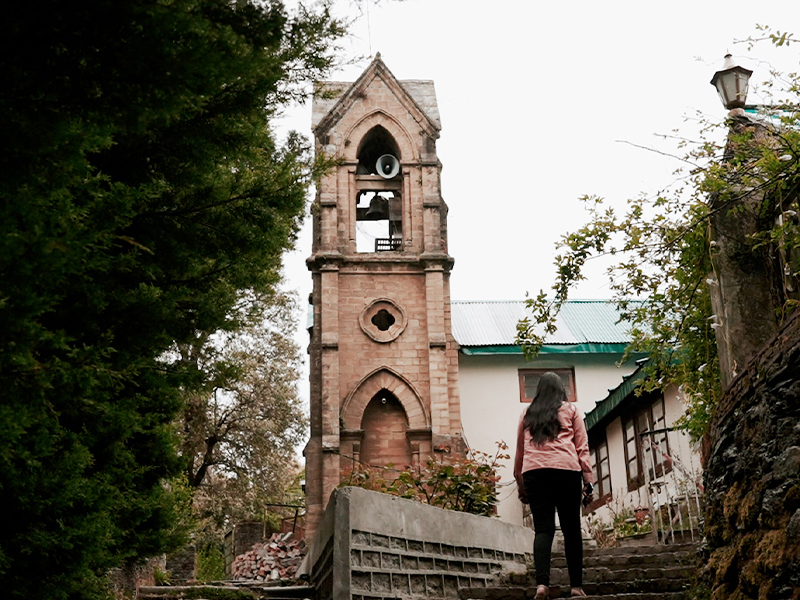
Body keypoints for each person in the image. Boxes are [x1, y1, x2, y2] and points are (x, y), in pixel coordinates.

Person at [513, 372, 594, 599]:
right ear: (561, 390)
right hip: (566, 470)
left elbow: (520, 452)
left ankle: (541, 585)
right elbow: (582, 447)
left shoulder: (528, 414)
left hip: (534, 472)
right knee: (571, 530)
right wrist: (588, 482)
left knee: (543, 529)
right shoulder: (572, 410)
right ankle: (576, 587)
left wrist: (521, 484)